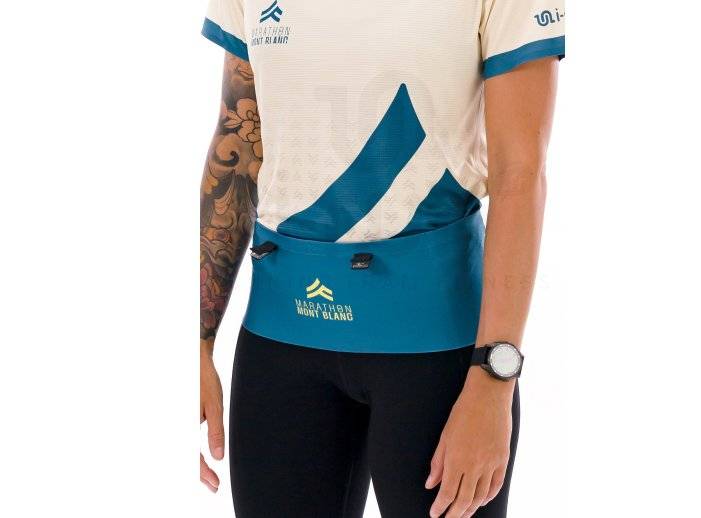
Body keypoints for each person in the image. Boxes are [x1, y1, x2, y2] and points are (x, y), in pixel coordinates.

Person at [199, 0, 564, 516]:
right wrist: (196, 341)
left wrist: (494, 377)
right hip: (280, 344)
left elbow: (520, 176)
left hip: (438, 354)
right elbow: (238, 141)